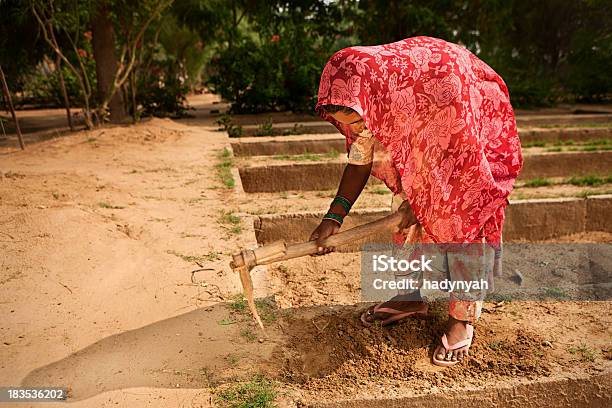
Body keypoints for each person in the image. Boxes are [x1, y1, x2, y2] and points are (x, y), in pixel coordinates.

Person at [309, 36, 523, 366]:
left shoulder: (436, 82)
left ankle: (462, 319)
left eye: (357, 120)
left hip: (460, 133)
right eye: (349, 124)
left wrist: (425, 200)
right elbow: (360, 159)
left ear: (370, 98)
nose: (356, 128)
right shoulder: (369, 98)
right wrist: (333, 217)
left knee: (460, 218)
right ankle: (410, 297)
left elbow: (457, 162)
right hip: (425, 144)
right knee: (404, 213)